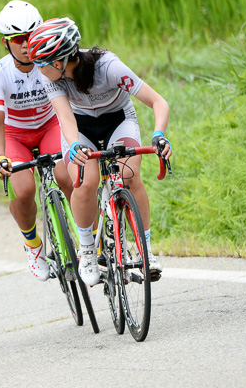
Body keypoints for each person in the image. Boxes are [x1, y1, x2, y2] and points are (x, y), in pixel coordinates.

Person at [27, 17, 172, 287]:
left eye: (41, 63)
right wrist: (73, 145)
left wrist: (159, 134)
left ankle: (145, 250)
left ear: (58, 62)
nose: (37, 69)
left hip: (118, 120)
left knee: (129, 174)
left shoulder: (109, 66)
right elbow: (65, 118)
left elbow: (157, 101)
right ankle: (87, 252)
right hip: (80, 127)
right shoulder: (51, 79)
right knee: (86, 181)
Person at [0, 0, 73, 282]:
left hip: (49, 126)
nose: (25, 45)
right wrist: (1, 157)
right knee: (22, 192)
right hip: (15, 136)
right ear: (5, 43)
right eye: (18, 39)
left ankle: (88, 239)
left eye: (31, 37)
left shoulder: (49, 61)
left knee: (67, 175)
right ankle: (33, 245)